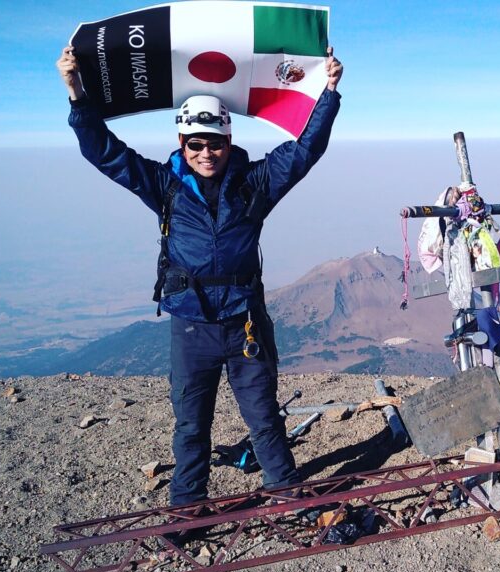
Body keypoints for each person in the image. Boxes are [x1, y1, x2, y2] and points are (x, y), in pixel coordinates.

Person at [56, 45, 343, 510]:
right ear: (181, 143)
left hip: (245, 323)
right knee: (191, 425)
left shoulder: (256, 181)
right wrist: (76, 93)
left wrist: (328, 92)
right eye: (196, 143)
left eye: (215, 142)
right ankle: (188, 510)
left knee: (264, 417)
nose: (206, 152)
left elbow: (306, 149)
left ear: (228, 141)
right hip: (191, 327)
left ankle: (286, 494)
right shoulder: (164, 186)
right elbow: (104, 154)